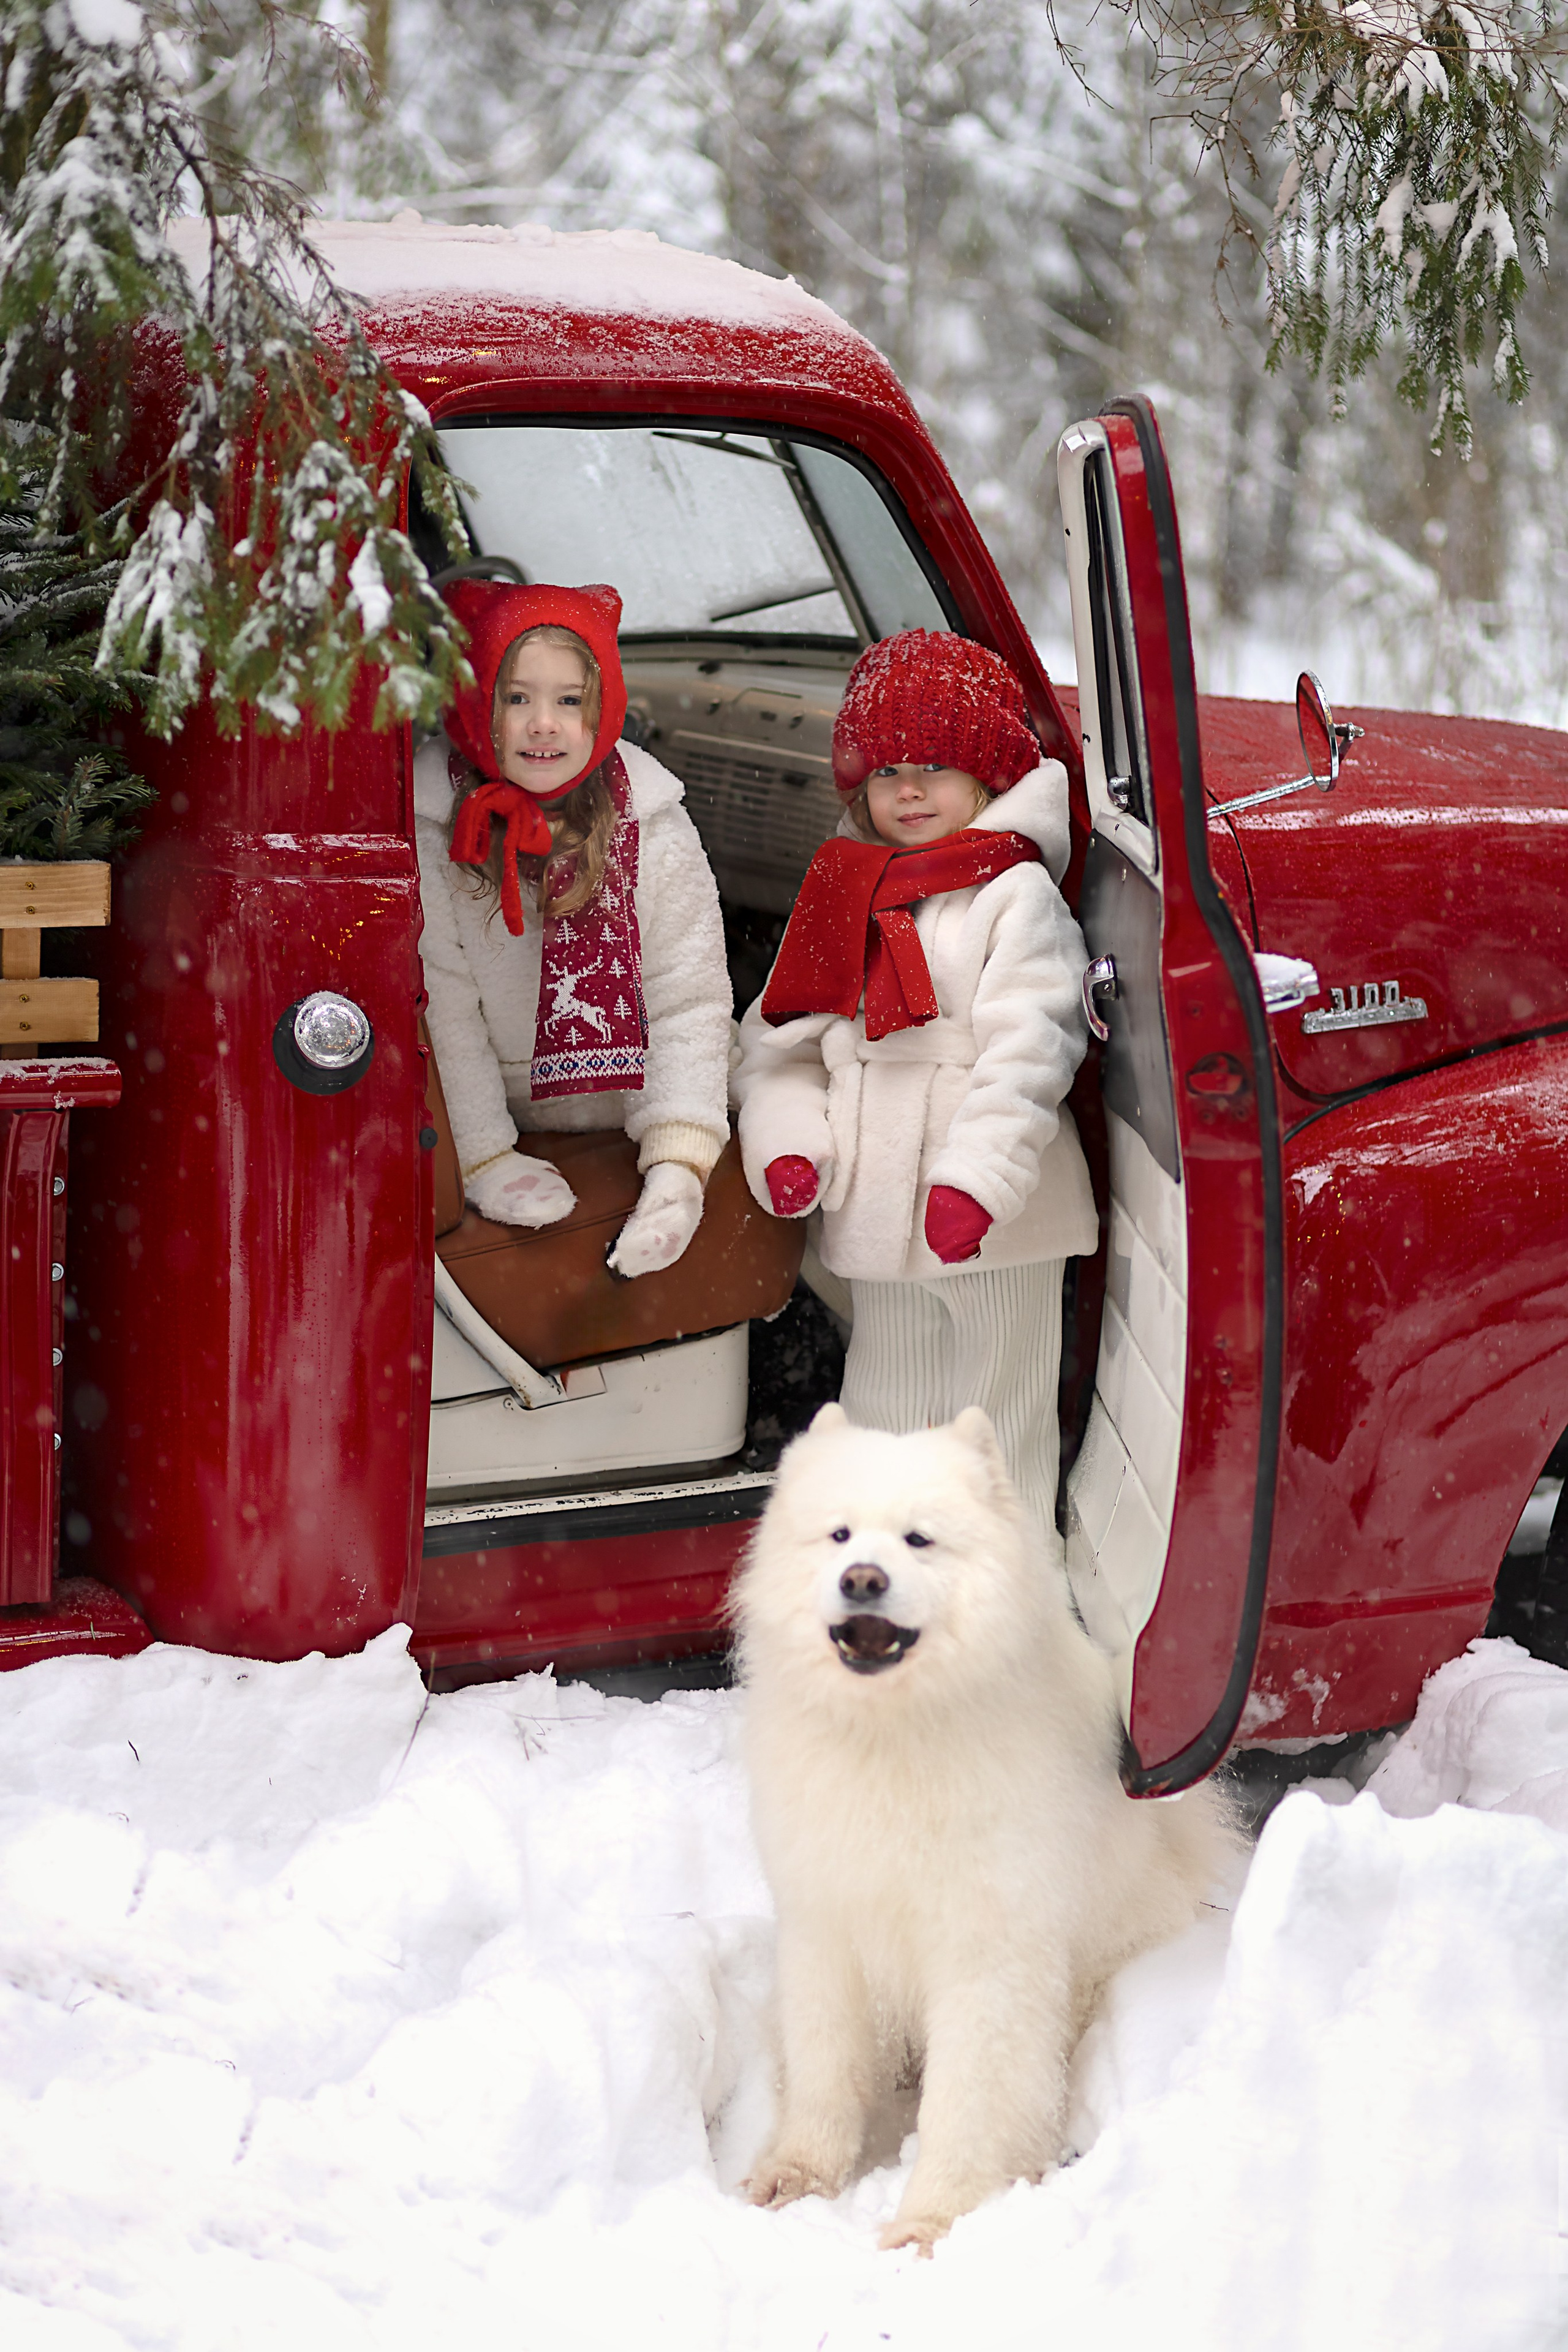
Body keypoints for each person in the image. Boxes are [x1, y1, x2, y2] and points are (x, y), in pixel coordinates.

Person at [731, 628, 1097, 1541]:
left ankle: (1013, 1603)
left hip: (1000, 1216)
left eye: (935, 765)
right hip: (876, 1207)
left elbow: (1034, 1048)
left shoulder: (1015, 896)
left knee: (996, 1419)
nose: (908, 789)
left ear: (988, 778)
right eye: (886, 770)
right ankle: (891, 1596)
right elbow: (777, 1048)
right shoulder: (840, 892)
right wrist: (792, 1147)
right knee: (884, 1410)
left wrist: (978, 1182)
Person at [415, 578, 731, 1278]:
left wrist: (679, 1152)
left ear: (604, 705)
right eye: (516, 698)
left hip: (626, 1097)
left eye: (568, 701)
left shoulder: (651, 818)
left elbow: (687, 993)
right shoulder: (437, 827)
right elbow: (444, 1013)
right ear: (475, 707)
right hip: (505, 1103)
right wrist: (485, 1154)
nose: (543, 723)